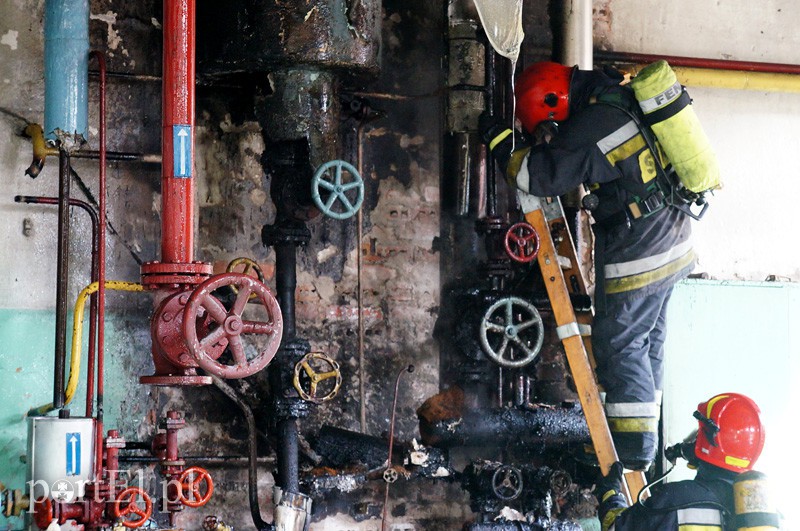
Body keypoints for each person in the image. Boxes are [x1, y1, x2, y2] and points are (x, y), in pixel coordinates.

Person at [481, 61, 695, 470]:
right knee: (646, 340)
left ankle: (632, 449)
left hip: (642, 247)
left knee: (618, 341)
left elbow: (537, 175)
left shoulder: (597, 121)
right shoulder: (622, 101)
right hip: (674, 238)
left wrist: (500, 141)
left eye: (546, 126)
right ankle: (641, 436)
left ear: (552, 102)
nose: (550, 133)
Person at [596, 392, 768, 530]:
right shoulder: (763, 516)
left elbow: (615, 527)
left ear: (709, 441)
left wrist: (610, 493)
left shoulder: (676, 499)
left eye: (700, 434)